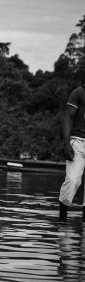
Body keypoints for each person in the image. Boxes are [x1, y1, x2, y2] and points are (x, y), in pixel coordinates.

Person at [58, 74, 85, 222]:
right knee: (73, 180)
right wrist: (66, 143)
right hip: (78, 141)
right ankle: (62, 219)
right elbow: (68, 116)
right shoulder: (79, 92)